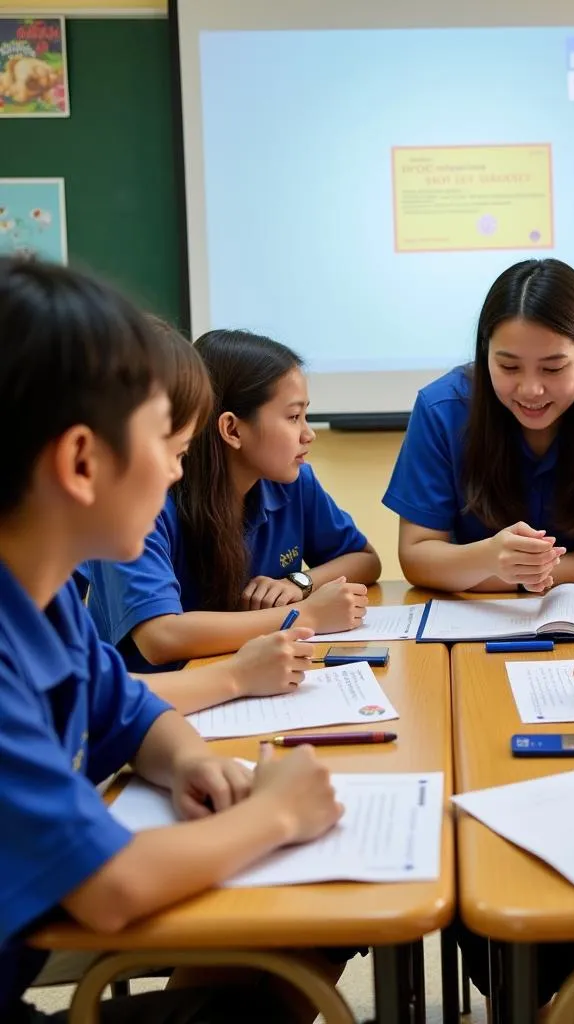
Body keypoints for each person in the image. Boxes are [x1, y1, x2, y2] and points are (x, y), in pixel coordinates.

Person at [0, 258, 344, 1023]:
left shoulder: (42, 593)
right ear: (82, 462)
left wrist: (191, 760)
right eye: (172, 446)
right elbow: (113, 888)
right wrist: (278, 813)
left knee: (275, 966)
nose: (179, 473)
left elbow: (128, 708)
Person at [383, 258, 574, 592]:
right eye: (509, 367)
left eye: (553, 368)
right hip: (473, 619)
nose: (531, 390)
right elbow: (417, 555)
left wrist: (526, 573)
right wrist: (489, 558)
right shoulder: (441, 410)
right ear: (486, 353)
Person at [86, 329, 381, 673]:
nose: (308, 433)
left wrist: (299, 583)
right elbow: (160, 637)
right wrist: (307, 614)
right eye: (292, 417)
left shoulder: (292, 482)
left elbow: (364, 559)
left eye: (305, 415)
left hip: (245, 681)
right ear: (232, 430)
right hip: (158, 705)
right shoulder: (142, 503)